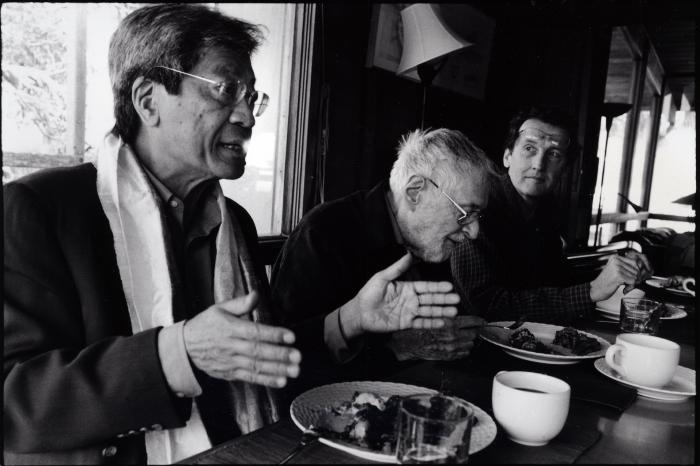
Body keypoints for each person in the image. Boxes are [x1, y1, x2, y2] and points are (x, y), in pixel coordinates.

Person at [5, 4, 303, 464]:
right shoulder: (39, 210)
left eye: (252, 96)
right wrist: (174, 356)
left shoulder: (234, 224)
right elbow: (16, 402)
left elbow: (263, 356)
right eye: (226, 90)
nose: (247, 116)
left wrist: (350, 321)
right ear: (148, 101)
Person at [270, 128, 497, 399]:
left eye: (477, 216)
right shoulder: (325, 232)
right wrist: (398, 349)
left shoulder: (431, 243)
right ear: (415, 192)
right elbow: (286, 363)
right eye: (465, 213)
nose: (473, 232)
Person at [451, 106, 653, 323]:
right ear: (507, 156)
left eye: (554, 154)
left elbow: (557, 280)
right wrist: (593, 290)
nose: (539, 164)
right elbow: (487, 308)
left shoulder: (545, 208)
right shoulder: (476, 210)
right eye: (529, 148)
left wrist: (617, 270)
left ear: (564, 168)